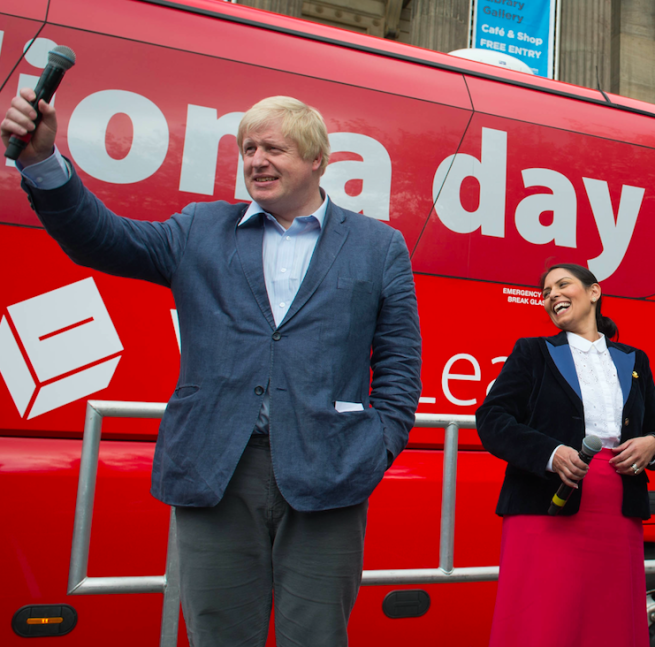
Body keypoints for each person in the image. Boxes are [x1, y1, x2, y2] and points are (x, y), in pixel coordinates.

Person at [1, 91, 422, 646]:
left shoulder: (378, 246)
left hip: (333, 470)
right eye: (248, 148)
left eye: (274, 147)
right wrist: (41, 162)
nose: (256, 160)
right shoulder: (199, 228)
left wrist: (380, 443)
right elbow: (100, 239)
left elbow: (399, 361)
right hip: (216, 466)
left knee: (317, 637)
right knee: (218, 635)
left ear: (317, 160)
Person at [476, 263, 655, 647]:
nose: (552, 295)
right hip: (544, 504)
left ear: (594, 292)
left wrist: (652, 446)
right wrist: (550, 453)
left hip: (618, 507)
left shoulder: (635, 360)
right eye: (547, 292)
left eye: (562, 285)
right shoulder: (533, 352)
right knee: (543, 620)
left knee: (610, 620)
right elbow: (491, 418)